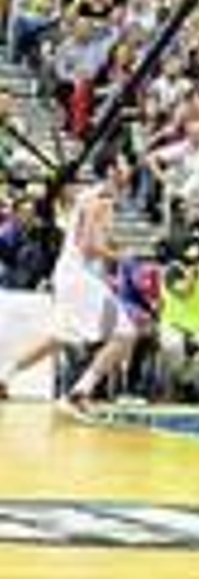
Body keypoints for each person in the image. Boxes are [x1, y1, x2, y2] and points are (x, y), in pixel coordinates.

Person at [0, 159, 138, 413]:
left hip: (68, 273)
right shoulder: (102, 198)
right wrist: (121, 256)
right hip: (79, 276)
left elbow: (84, 239)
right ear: (111, 170)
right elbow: (89, 245)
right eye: (122, 164)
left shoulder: (89, 196)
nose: (129, 168)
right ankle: (81, 390)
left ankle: (5, 374)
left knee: (61, 336)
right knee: (126, 333)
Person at [155, 242, 199, 401]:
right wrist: (195, 273)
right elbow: (184, 292)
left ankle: (183, 380)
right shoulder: (173, 270)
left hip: (198, 329)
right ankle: (178, 385)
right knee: (174, 345)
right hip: (173, 325)